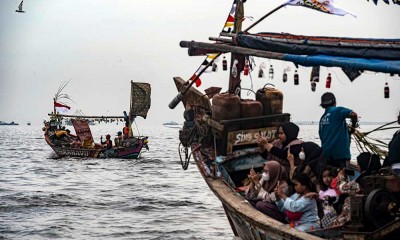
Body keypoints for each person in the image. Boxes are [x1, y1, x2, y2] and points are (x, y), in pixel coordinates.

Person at [319, 92, 358, 168]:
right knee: (344, 178)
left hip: (326, 156)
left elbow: (322, 137)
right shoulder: (337, 111)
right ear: (334, 102)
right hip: (340, 155)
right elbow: (353, 115)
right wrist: (353, 127)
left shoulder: (322, 119)